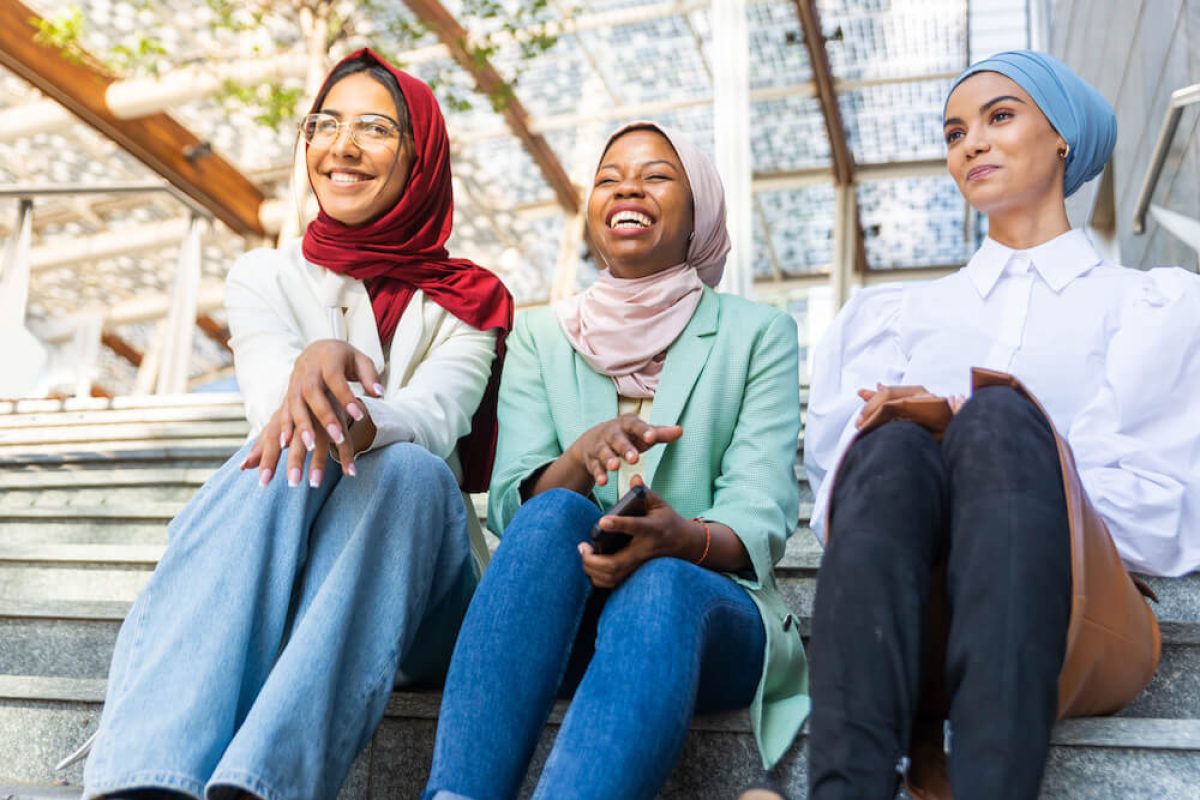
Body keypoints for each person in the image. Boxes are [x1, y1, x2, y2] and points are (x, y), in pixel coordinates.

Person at [82, 48, 513, 800]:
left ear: (421, 158)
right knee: (283, 447)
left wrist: (345, 402)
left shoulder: (468, 300)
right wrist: (311, 370)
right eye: (325, 124)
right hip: (283, 556)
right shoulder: (265, 276)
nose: (342, 146)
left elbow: (434, 419)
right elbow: (271, 420)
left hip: (417, 588)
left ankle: (265, 784)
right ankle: (150, 782)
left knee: (411, 469)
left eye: (375, 128)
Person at [804, 50, 1200, 800]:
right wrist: (916, 434)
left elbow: (1157, 521)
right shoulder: (896, 315)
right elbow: (844, 522)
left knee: (997, 418)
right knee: (893, 443)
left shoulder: (1147, 306)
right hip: (912, 624)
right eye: (955, 132)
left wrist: (979, 435)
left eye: (1000, 116)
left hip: (1071, 615)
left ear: (1063, 139)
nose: (972, 143)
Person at [421, 121, 810, 800]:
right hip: (565, 618)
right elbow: (511, 504)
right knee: (553, 513)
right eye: (609, 178)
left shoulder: (758, 335)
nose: (628, 187)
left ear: (700, 211)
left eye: (656, 175)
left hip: (709, 614)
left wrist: (678, 538)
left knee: (660, 584)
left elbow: (760, 514)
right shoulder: (540, 335)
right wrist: (580, 456)